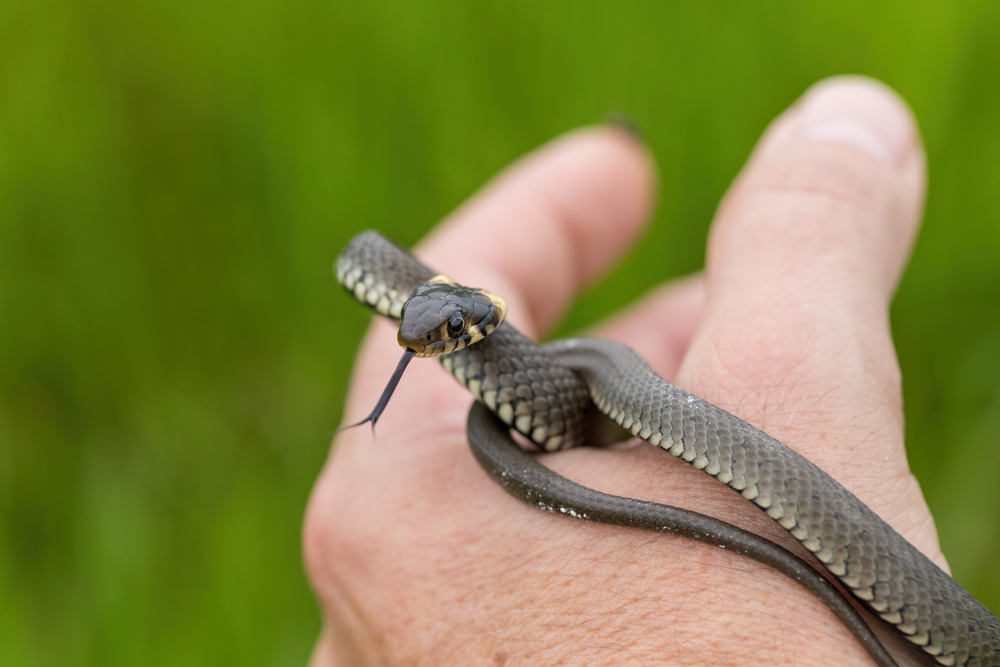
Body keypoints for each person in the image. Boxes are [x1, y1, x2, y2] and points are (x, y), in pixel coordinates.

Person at [304, 76, 936, 666]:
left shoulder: (565, 361)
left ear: (483, 320)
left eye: (448, 334)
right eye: (420, 325)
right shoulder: (403, 279)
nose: (424, 340)